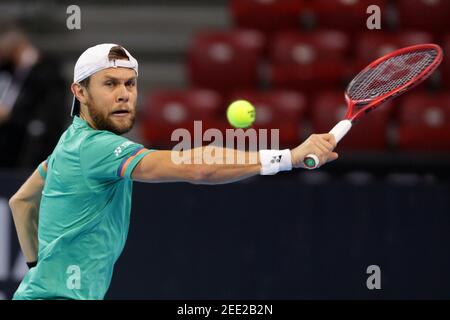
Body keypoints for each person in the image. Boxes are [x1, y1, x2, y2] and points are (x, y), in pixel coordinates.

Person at [8, 43, 338, 300]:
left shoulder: (71, 143)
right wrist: (288, 157)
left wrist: (38, 269)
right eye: (109, 83)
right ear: (79, 92)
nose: (124, 94)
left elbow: (21, 202)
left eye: (130, 83)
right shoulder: (96, 148)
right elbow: (198, 168)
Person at [0, 24, 68, 168]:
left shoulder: (46, 69)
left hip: (31, 140)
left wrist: (10, 115)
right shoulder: (8, 69)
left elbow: (47, 111)